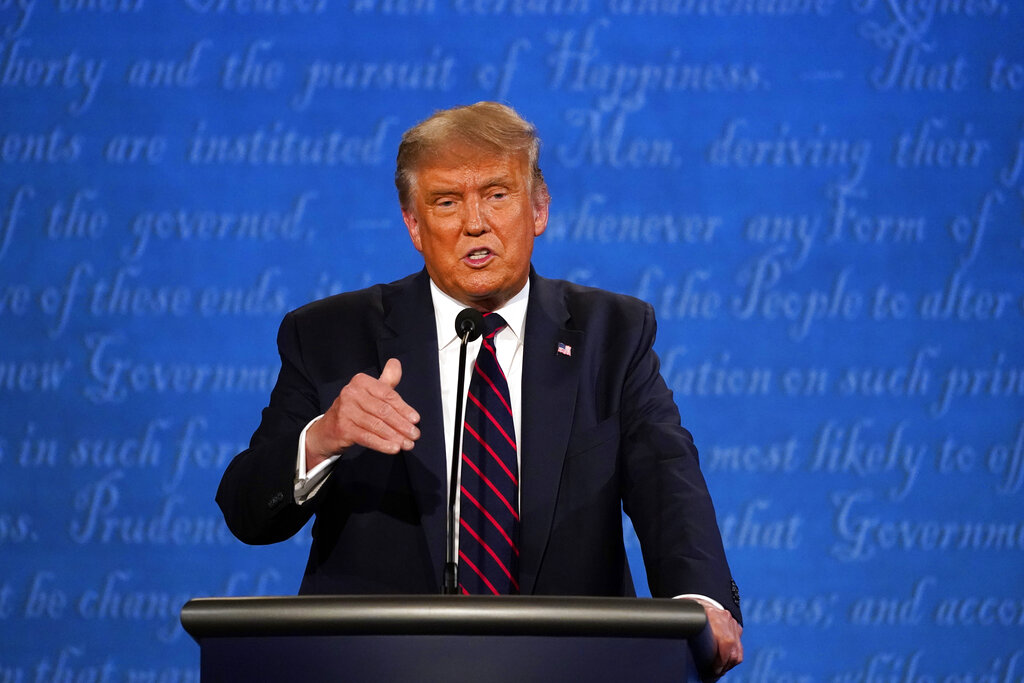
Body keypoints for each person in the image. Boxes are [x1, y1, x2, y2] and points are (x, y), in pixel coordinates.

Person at [217, 101, 743, 674]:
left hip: (572, 665)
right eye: (446, 202)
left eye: (497, 194)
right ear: (413, 226)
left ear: (538, 208)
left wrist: (699, 605)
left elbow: (667, 481)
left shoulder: (611, 335)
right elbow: (248, 512)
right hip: (377, 665)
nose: (475, 223)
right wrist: (323, 438)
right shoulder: (329, 335)